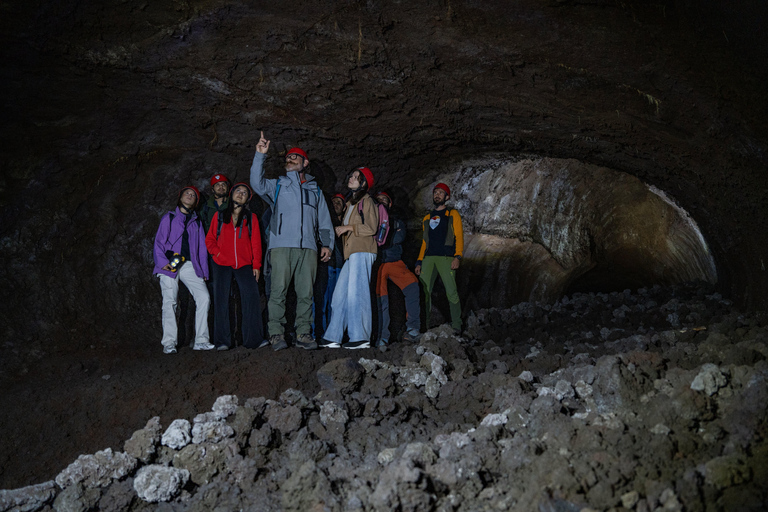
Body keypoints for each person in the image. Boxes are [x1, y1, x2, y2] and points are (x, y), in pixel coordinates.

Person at [250, 132, 334, 351]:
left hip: (308, 248)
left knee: (306, 293)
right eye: (288, 157)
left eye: (295, 157)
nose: (289, 159)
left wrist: (326, 244)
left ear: (305, 162)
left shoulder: (315, 190)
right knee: (278, 292)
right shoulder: (278, 185)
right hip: (281, 247)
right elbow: (256, 184)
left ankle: (303, 333)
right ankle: (276, 334)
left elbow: (324, 220)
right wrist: (260, 156)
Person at [320, 167, 378, 350]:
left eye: (356, 177)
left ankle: (360, 337)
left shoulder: (367, 200)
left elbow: (372, 227)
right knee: (339, 296)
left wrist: (348, 228)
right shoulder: (351, 203)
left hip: (363, 250)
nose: (351, 178)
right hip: (351, 254)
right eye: (351, 175)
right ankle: (333, 336)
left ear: (363, 183)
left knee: (357, 294)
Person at [152, 186, 214, 354]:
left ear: (196, 202)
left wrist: (204, 271)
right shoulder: (169, 218)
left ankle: (201, 340)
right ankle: (169, 342)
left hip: (188, 264)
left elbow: (202, 249)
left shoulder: (197, 222)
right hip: (170, 263)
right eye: (187, 193)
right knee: (169, 301)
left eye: (193, 195)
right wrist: (162, 262)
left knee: (204, 297)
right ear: (180, 197)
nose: (190, 196)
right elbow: (159, 241)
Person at [205, 182, 266, 350]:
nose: (241, 194)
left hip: (245, 264)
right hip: (221, 263)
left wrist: (257, 265)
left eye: (244, 192)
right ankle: (223, 341)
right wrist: (217, 254)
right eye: (238, 191)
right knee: (221, 300)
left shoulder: (251, 218)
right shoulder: (219, 216)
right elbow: (209, 239)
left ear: (248, 198)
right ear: (231, 194)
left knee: (251, 298)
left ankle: (253, 339)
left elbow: (256, 243)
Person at [373, 191, 421, 348]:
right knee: (382, 300)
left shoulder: (397, 221)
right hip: (378, 263)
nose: (381, 202)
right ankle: (382, 337)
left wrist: (382, 238)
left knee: (413, 285)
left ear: (390, 204)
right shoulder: (371, 220)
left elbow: (399, 238)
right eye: (378, 200)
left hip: (395, 262)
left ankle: (413, 329)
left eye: (385, 200)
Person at [415, 182, 464, 334]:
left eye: (441, 193)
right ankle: (425, 326)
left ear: (447, 197)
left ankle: (457, 325)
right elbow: (425, 242)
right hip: (429, 258)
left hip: (446, 257)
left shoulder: (452, 214)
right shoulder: (427, 217)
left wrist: (458, 256)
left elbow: (459, 236)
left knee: (451, 291)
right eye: (435, 192)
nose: (437, 195)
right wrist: (419, 261)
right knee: (425, 292)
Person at [312, 193, 346, 340]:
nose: (335, 204)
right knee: (321, 301)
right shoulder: (323, 222)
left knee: (337, 303)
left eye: (339, 202)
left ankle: (334, 335)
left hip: (340, 267)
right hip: (325, 265)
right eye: (333, 201)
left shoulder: (346, 224)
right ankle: (319, 334)